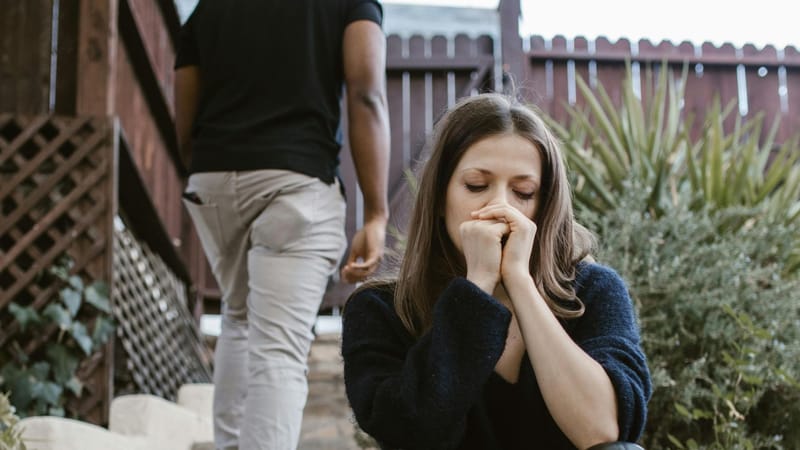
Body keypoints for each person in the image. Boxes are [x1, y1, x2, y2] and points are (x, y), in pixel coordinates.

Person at [341, 93, 651, 450]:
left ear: (543, 205)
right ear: (441, 197)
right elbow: (412, 433)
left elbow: (604, 431)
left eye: (523, 192)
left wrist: (520, 282)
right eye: (476, 185)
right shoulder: (381, 309)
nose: (500, 206)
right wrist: (477, 290)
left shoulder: (594, 290)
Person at [173, 0, 390, 448]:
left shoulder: (208, 10)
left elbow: (185, 115)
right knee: (278, 351)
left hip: (212, 180)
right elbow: (366, 93)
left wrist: (204, 172)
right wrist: (375, 213)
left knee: (238, 317)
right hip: (296, 182)